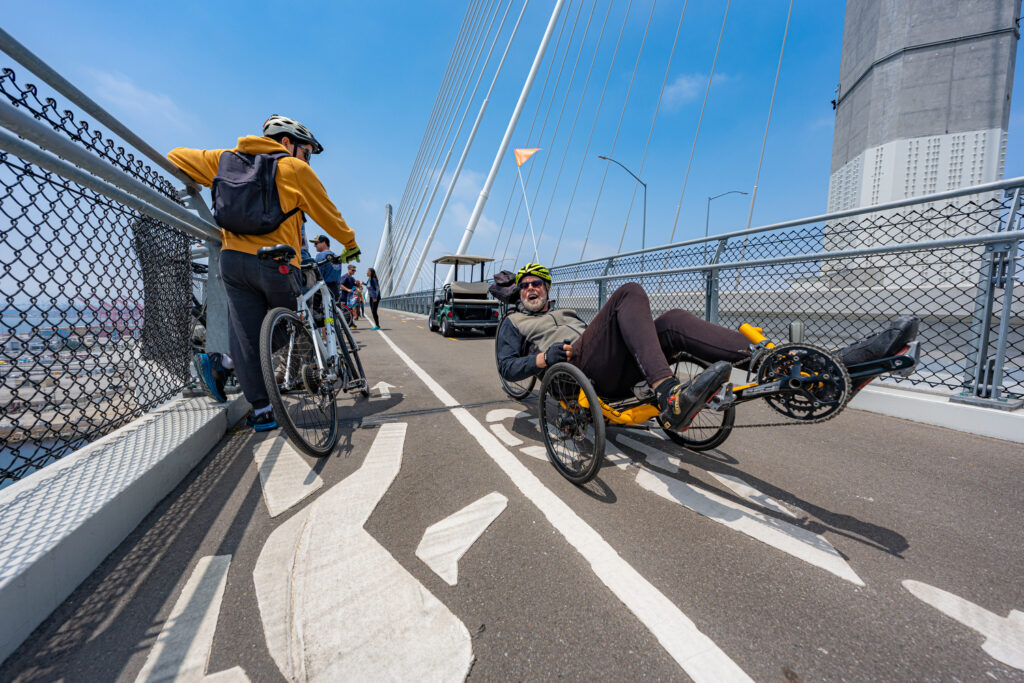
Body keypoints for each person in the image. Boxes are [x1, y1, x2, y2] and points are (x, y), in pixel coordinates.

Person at [496, 263, 916, 431]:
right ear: (520, 294)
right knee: (627, 291)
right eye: (527, 285)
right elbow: (508, 369)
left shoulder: (570, 313)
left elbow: (617, 335)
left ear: (549, 290)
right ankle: (668, 393)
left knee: (676, 321)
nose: (533, 289)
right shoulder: (514, 322)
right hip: (574, 372)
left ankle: (804, 371)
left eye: (539, 284)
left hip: (610, 365)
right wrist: (541, 357)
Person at [169, 115, 359, 431]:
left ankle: (261, 412)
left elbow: (175, 156)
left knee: (245, 334)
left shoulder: (224, 159)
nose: (308, 159)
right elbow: (329, 214)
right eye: (307, 151)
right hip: (277, 263)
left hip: (232, 262)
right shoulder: (295, 169)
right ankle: (227, 359)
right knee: (287, 324)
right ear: (286, 143)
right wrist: (350, 243)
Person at [310, 234, 342, 302]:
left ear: (324, 243)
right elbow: (339, 276)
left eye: (316, 243)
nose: (314, 245)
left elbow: (317, 274)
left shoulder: (320, 255)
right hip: (335, 289)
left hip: (322, 289)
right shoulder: (336, 256)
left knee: (318, 311)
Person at [339, 263, 359, 329]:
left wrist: (357, 284)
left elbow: (354, 286)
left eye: (355, 270)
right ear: (349, 270)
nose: (354, 272)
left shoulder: (352, 278)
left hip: (350, 298)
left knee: (350, 311)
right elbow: (340, 285)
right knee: (346, 312)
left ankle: (351, 323)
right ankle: (347, 325)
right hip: (344, 297)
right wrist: (347, 289)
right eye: (353, 270)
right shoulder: (345, 277)